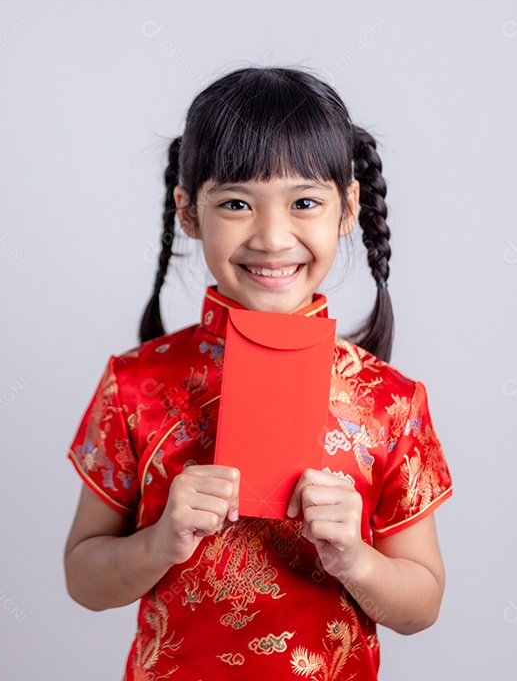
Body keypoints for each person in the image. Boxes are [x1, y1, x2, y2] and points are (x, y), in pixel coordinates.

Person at [63, 65, 453, 680]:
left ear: (348, 208)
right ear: (189, 213)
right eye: (237, 203)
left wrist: (355, 558)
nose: (273, 238)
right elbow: (83, 577)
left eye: (305, 202)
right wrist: (159, 544)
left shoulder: (390, 403)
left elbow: (422, 604)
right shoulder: (133, 385)